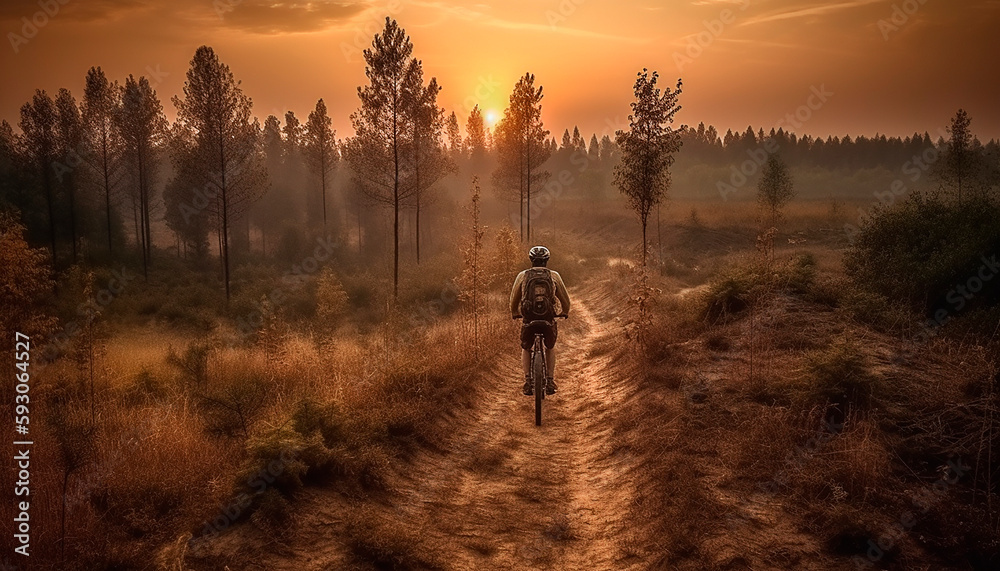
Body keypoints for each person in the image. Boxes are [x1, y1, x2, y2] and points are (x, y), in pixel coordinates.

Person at [509, 246, 571, 396]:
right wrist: (565, 312)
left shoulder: (523, 275)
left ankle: (528, 380)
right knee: (550, 347)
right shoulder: (554, 275)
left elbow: (514, 299)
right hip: (548, 320)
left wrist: (515, 312)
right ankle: (550, 380)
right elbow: (565, 299)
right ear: (547, 260)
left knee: (525, 347)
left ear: (531, 260)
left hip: (529, 319)